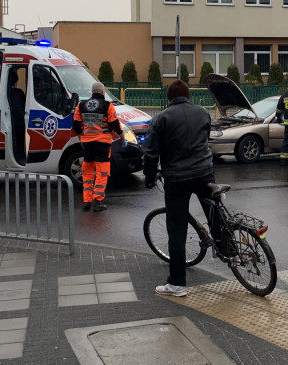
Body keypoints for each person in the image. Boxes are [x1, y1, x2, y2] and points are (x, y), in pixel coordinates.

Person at [143, 79, 233, 297]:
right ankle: (228, 251)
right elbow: (203, 138)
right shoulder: (203, 113)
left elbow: (151, 153)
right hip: (204, 173)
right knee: (215, 215)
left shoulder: (161, 119)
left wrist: (149, 177)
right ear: (188, 95)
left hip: (177, 179)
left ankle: (176, 284)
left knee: (176, 229)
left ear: (169, 98)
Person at [72, 81, 122, 211]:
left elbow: (76, 126)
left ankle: (87, 201)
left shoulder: (81, 105)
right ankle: (97, 201)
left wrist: (82, 138)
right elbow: (115, 124)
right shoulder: (107, 106)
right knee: (102, 173)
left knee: (87, 173)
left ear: (92, 92)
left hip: (87, 145)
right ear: (102, 92)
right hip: (102, 145)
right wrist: (122, 136)